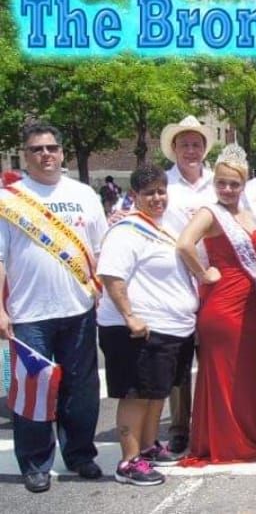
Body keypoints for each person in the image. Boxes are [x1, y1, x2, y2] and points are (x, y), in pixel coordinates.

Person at [0, 124, 107, 492]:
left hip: (78, 309)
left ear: (62, 152)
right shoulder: (9, 199)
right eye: (36, 149)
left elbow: (100, 248)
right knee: (33, 394)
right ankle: (34, 463)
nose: (46, 154)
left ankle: (80, 454)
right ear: (25, 156)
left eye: (52, 147)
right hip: (29, 314)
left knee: (81, 390)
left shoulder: (84, 195)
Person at [176, 144, 256, 466]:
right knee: (225, 377)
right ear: (214, 183)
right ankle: (228, 441)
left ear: (243, 184)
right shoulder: (211, 212)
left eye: (234, 184)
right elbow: (184, 244)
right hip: (224, 306)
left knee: (248, 374)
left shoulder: (247, 215)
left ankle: (251, 434)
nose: (227, 189)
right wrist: (203, 273)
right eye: (221, 182)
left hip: (251, 305)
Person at [96, 164, 197, 486]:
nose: (157, 198)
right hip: (138, 330)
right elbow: (111, 276)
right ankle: (128, 461)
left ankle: (150, 446)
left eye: (161, 191)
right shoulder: (126, 230)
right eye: (149, 192)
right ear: (134, 195)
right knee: (137, 395)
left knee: (156, 393)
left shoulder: (164, 225)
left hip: (171, 328)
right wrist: (129, 316)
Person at [158, 114, 218, 455]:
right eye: (184, 145)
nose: (191, 150)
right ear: (174, 149)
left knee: (213, 355)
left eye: (196, 144)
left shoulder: (218, 182)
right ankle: (179, 426)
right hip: (176, 279)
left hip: (215, 281)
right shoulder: (163, 184)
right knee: (180, 358)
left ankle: (211, 419)